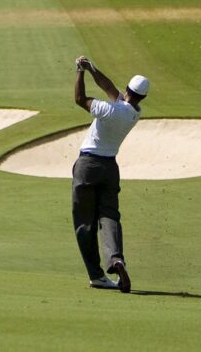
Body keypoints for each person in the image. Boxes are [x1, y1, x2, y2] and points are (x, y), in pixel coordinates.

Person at [72, 56, 150, 293]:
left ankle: (97, 275)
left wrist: (80, 72)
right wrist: (93, 67)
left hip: (88, 165)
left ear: (127, 89)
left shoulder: (108, 109)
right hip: (110, 169)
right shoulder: (134, 112)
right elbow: (109, 87)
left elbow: (79, 99)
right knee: (109, 217)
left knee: (85, 223)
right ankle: (116, 260)